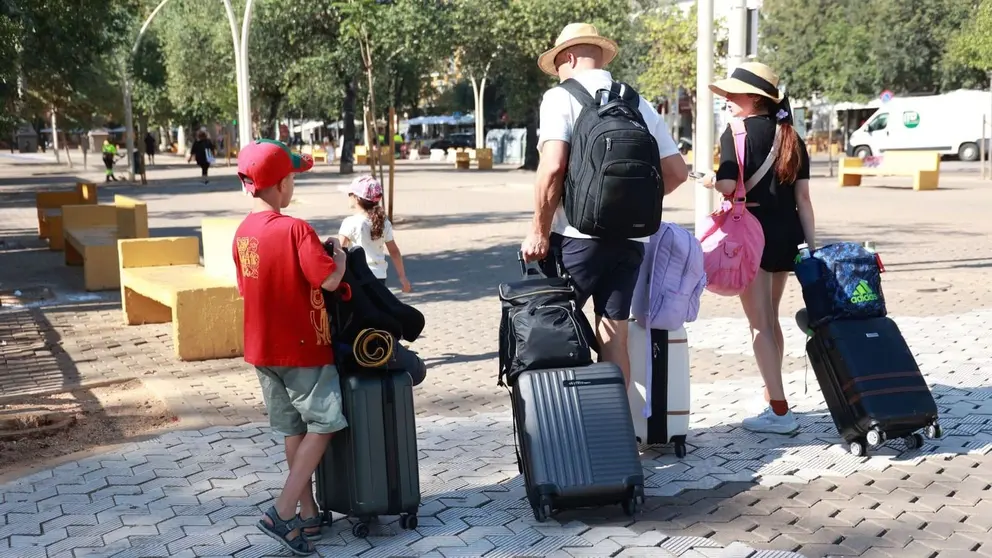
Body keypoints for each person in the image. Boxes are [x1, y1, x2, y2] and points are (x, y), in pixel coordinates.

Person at [520, 23, 689, 386]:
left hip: (575, 237)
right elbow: (676, 172)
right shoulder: (637, 102)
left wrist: (538, 230)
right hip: (631, 241)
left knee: (552, 329)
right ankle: (620, 432)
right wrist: (630, 203)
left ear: (567, 57)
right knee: (615, 337)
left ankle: (563, 430)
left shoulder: (560, 97)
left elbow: (552, 167)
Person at [232, 139, 347, 555]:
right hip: (303, 348)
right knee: (326, 422)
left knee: (291, 428)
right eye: (293, 178)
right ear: (281, 185)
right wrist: (341, 260)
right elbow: (329, 281)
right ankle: (282, 512)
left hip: (262, 350)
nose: (294, 186)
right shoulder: (297, 228)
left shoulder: (242, 233)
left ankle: (308, 514)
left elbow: (248, 286)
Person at [704, 62, 815, 434]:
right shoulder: (790, 136)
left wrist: (707, 179)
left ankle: (781, 412)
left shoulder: (735, 133)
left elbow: (725, 186)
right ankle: (773, 396)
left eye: (733, 95)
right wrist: (811, 248)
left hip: (750, 233)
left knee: (759, 325)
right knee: (771, 318)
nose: (728, 102)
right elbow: (804, 198)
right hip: (787, 235)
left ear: (754, 99)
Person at [337, 175, 412, 293]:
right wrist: (402, 277)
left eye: (349, 194)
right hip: (379, 275)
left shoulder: (350, 222)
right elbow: (394, 252)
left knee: (360, 310)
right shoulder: (384, 222)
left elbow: (340, 251)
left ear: (356, 198)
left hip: (358, 275)